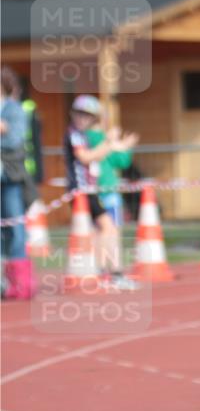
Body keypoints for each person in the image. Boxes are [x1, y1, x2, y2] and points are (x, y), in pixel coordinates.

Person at [63, 95, 139, 290]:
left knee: (104, 230)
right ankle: (105, 273)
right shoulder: (75, 134)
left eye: (87, 116)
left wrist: (118, 144)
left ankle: (107, 273)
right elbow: (86, 157)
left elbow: (108, 153)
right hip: (82, 191)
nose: (83, 118)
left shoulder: (84, 135)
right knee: (107, 228)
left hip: (90, 190)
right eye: (80, 114)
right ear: (73, 114)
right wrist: (109, 142)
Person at [1, 66, 37, 299]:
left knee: (16, 227)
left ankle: (21, 282)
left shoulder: (14, 109)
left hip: (11, 177)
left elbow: (15, 140)